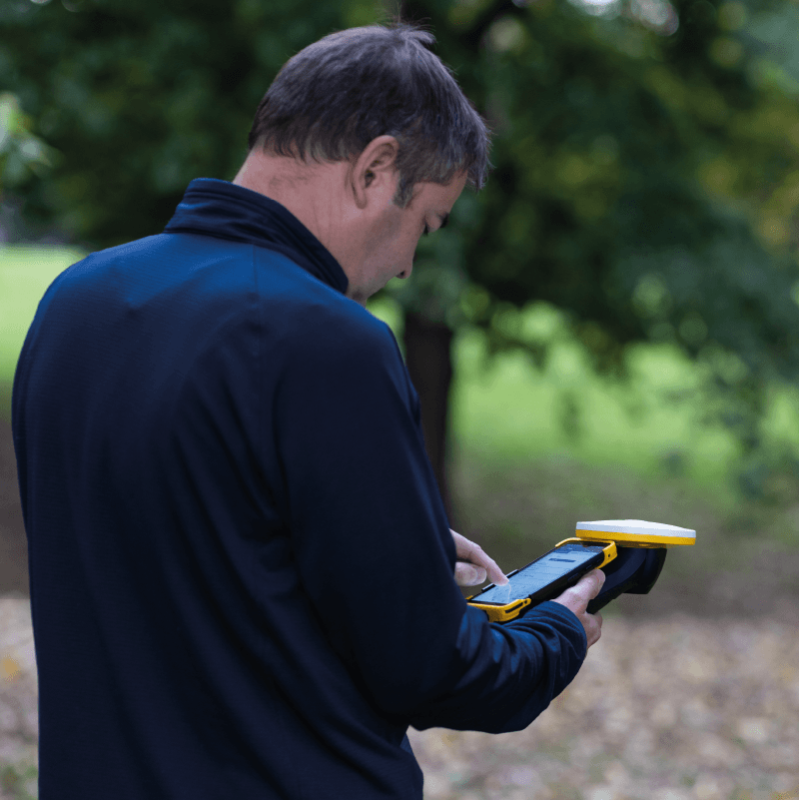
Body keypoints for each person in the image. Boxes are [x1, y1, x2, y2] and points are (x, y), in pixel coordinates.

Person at [12, 23, 604, 799]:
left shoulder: (75, 302)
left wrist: (385, 541)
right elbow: (433, 673)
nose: (405, 266)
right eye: (424, 223)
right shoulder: (329, 343)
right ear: (376, 168)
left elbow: (185, 548)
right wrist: (557, 630)